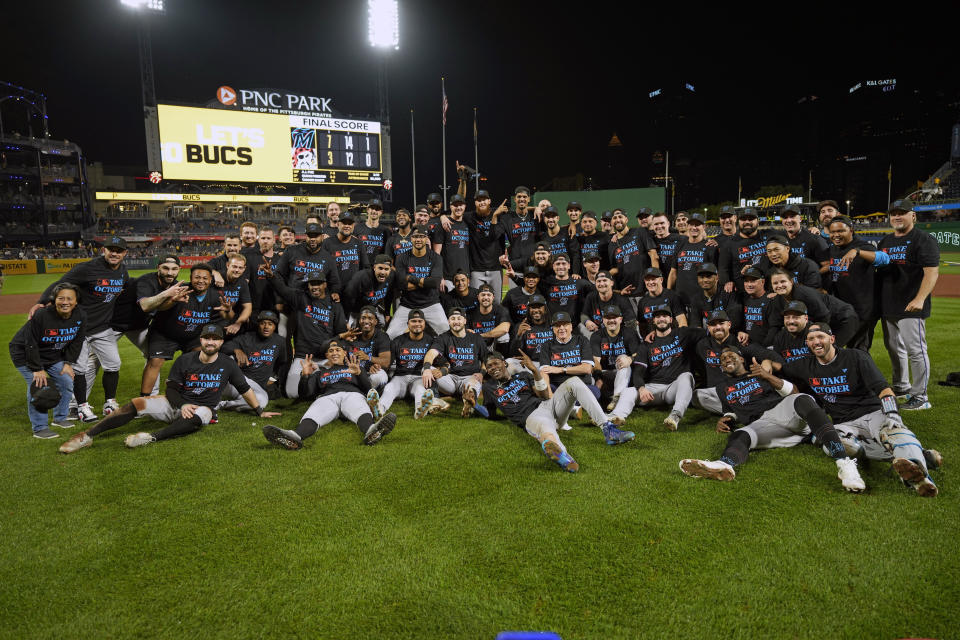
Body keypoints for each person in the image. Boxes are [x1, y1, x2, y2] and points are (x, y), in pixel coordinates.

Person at [59, 324, 280, 453]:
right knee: (136, 404)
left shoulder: (227, 363)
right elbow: (172, 389)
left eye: (215, 339)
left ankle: (151, 437)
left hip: (203, 407)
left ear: (221, 343)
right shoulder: (185, 360)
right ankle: (87, 435)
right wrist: (182, 404)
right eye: (207, 338)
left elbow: (243, 388)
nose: (211, 342)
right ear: (201, 340)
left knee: (199, 417)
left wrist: (259, 410)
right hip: (176, 401)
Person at [678, 345, 865, 493]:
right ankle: (724, 464)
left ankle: (844, 464)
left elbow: (793, 392)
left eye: (730, 356)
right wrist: (726, 418)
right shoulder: (722, 387)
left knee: (803, 399)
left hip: (783, 411)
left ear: (741, 359)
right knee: (742, 434)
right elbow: (731, 410)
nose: (726, 359)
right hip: (763, 423)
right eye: (723, 359)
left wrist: (767, 376)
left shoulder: (760, 373)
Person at [783, 322, 940, 496]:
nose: (816, 342)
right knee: (835, 445)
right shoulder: (805, 365)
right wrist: (765, 365)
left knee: (896, 433)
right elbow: (778, 367)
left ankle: (920, 478)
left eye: (820, 337)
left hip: (873, 413)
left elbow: (883, 389)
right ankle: (917, 456)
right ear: (807, 343)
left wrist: (892, 413)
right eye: (811, 339)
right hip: (844, 423)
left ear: (832, 339)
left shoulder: (856, 357)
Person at [480, 351, 635, 473]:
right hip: (531, 418)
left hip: (548, 406)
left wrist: (534, 371)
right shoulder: (488, 388)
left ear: (504, 363)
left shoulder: (523, 375)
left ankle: (608, 430)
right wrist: (475, 405)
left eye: (495, 363)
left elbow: (545, 395)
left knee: (573, 382)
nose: (492, 368)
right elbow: (490, 413)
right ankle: (564, 458)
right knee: (547, 435)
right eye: (489, 367)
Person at [30, 236, 131, 421]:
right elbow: (60, 285)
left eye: (118, 250)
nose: (114, 253)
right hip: (80, 329)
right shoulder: (87, 268)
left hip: (103, 328)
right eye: (111, 249)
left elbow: (123, 292)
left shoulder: (123, 271)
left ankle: (110, 402)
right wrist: (42, 302)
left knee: (113, 364)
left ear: (125, 253)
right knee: (80, 369)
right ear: (104, 250)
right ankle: (81, 407)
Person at [261, 340, 397, 450]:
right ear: (327, 356)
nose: (334, 353)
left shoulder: (354, 367)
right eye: (331, 351)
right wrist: (305, 376)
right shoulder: (320, 373)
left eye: (338, 350)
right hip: (328, 397)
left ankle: (371, 431)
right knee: (314, 411)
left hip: (351, 394)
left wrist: (359, 374)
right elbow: (305, 394)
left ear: (344, 353)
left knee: (358, 405)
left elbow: (368, 389)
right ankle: (294, 437)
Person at [875, 200, 940, 410]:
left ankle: (921, 396)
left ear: (913, 215)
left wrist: (920, 299)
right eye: (893, 214)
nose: (897, 217)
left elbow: (932, 272)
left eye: (902, 213)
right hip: (888, 305)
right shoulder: (885, 240)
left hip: (911, 304)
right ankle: (902, 386)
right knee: (894, 348)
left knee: (916, 350)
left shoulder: (923, 239)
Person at [140, 263, 233, 397]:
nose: (201, 281)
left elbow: (227, 316)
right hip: (165, 333)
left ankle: (191, 395)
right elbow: (160, 307)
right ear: (190, 278)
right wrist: (172, 301)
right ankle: (144, 399)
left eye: (205, 278)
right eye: (197, 277)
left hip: (192, 337)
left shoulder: (216, 296)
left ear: (211, 280)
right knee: (155, 361)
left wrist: (228, 310)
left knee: (202, 359)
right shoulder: (180, 290)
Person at [11, 283, 85, 439]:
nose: (65, 302)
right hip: (25, 353)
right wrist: (37, 369)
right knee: (39, 384)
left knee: (66, 381)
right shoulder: (42, 315)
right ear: (54, 300)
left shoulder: (80, 316)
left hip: (52, 355)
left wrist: (68, 363)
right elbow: (30, 342)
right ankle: (40, 427)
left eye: (69, 299)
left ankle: (60, 418)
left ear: (76, 301)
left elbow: (77, 341)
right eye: (61, 298)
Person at [264, 268, 348, 399]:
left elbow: (341, 333)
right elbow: (283, 290)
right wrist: (272, 276)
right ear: (308, 285)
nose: (315, 287)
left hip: (326, 357)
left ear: (325, 284)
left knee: (336, 387)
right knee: (292, 393)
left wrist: (335, 358)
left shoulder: (334, 305)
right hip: (303, 356)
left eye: (318, 283)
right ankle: (315, 387)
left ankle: (316, 384)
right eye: (311, 284)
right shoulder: (301, 298)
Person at [692, 310, 780, 415]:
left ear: (729, 324)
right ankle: (743, 410)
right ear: (708, 327)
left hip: (741, 391)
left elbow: (772, 356)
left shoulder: (741, 342)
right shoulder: (702, 345)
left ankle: (738, 411)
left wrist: (767, 361)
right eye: (713, 324)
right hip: (718, 393)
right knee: (696, 396)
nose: (718, 327)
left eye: (721, 323)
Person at [632, 308, 697, 430]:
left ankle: (675, 415)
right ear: (654, 321)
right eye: (658, 317)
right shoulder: (647, 344)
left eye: (665, 316)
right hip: (653, 389)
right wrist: (641, 389)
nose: (661, 319)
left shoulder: (683, 334)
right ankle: (615, 415)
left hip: (674, 388)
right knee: (628, 392)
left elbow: (706, 333)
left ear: (671, 319)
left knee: (686, 376)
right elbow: (638, 371)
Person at [824, 215, 878, 352]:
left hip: (862, 310)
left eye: (840, 231)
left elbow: (884, 259)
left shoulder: (864, 247)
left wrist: (857, 252)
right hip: (841, 309)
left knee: (859, 351)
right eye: (833, 232)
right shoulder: (832, 249)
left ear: (851, 230)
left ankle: (866, 374)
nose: (836, 235)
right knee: (838, 350)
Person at [422, 307, 488, 417]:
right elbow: (431, 353)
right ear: (448, 321)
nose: (456, 321)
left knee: (472, 387)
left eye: (459, 318)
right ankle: (436, 401)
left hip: (470, 377)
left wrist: (482, 373)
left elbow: (486, 359)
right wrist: (427, 369)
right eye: (452, 318)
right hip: (450, 379)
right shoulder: (443, 337)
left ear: (465, 321)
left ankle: (469, 405)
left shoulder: (476, 338)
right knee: (426, 369)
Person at [387, 225, 450, 338]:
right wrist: (426, 282)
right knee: (390, 334)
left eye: (421, 236)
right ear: (411, 239)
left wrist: (411, 278)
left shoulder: (436, 258)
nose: (418, 240)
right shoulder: (402, 257)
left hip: (431, 303)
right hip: (408, 305)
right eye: (415, 237)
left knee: (446, 331)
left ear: (426, 238)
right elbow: (401, 284)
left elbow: (435, 283)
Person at [219, 310, 287, 413]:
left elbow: (282, 363)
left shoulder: (280, 342)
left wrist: (274, 378)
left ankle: (222, 405)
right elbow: (224, 347)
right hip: (238, 381)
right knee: (229, 359)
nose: (266, 327)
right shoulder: (247, 337)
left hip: (257, 386)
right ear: (258, 324)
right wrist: (236, 350)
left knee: (261, 402)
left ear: (275, 326)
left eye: (270, 324)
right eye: (263, 323)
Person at [373, 310, 435, 419]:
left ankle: (420, 410)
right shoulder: (398, 341)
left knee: (420, 390)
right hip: (400, 378)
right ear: (408, 324)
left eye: (420, 321)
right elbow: (388, 362)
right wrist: (378, 367)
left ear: (424, 323)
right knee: (389, 388)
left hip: (418, 377)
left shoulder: (431, 341)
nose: (417, 324)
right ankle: (379, 409)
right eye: (413, 321)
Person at [590, 304, 641, 416]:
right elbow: (596, 361)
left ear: (620, 319)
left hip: (624, 374)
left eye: (614, 317)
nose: (611, 320)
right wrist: (598, 379)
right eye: (608, 318)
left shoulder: (629, 333)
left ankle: (616, 398)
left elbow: (639, 355)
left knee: (623, 359)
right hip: (605, 374)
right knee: (588, 369)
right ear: (603, 320)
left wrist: (630, 359)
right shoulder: (596, 336)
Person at [668, 212, 718, 306]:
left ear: (704, 227)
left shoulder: (710, 247)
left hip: (701, 300)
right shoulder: (680, 245)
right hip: (680, 299)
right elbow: (673, 272)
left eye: (697, 225)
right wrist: (668, 294)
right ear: (688, 226)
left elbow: (715, 276)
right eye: (691, 224)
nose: (694, 228)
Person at [719, 206, 767, 294]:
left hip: (767, 291)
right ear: (738, 221)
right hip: (742, 294)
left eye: (751, 219)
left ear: (758, 221)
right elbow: (723, 269)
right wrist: (726, 282)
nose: (747, 222)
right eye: (743, 219)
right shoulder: (728, 244)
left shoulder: (768, 236)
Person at [322, 211, 369, 286]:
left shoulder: (359, 244)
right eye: (344, 223)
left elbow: (365, 268)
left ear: (353, 226)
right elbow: (323, 270)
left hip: (353, 291)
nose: (347, 226)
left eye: (350, 224)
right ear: (338, 224)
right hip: (334, 291)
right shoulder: (326, 243)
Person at [468, 284, 511, 348]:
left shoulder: (501, 310)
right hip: (477, 344)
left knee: (504, 337)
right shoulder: (471, 312)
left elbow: (504, 329)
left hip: (493, 344)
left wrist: (481, 335)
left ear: (493, 297)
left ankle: (501, 356)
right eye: (483, 295)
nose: (485, 298)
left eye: (488, 295)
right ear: (478, 297)